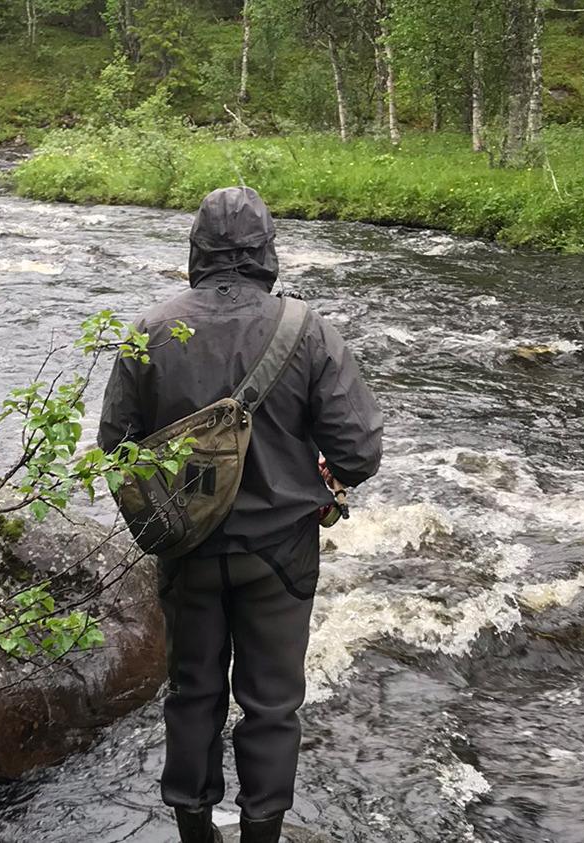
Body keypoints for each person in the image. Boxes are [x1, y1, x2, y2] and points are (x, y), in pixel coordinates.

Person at [98, 186, 383, 843]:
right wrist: (326, 478)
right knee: (273, 705)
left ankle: (195, 832)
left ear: (196, 250)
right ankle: (262, 835)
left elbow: (114, 447)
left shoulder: (150, 328)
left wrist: (162, 517)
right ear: (266, 251)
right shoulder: (307, 329)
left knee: (192, 693)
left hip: (186, 551)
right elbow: (360, 448)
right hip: (280, 554)